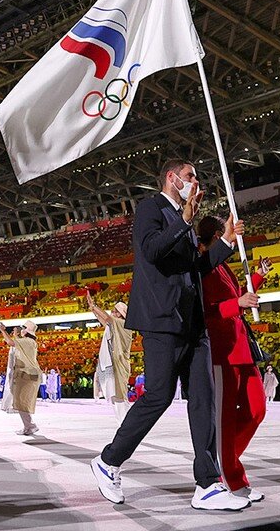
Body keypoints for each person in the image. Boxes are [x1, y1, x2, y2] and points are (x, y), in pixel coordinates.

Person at [90, 159, 249, 511]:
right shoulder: (152, 208)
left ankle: (207, 483)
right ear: (171, 177)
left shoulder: (183, 221)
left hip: (192, 322)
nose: (195, 181)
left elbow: (195, 268)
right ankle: (108, 460)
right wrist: (185, 220)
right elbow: (151, 251)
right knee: (158, 397)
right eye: (190, 176)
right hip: (161, 319)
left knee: (203, 399)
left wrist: (224, 242)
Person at [199, 215, 271, 501]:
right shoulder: (203, 266)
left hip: (241, 349)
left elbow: (239, 296)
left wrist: (258, 277)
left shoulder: (223, 266)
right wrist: (236, 304)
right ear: (217, 236)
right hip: (222, 351)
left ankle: (224, 459)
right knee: (225, 420)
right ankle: (232, 478)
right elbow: (206, 312)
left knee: (256, 410)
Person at [87, 294, 131, 424]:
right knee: (115, 395)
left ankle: (126, 423)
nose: (112, 312)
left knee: (120, 395)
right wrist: (92, 308)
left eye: (115, 311)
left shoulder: (123, 324)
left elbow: (107, 318)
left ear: (121, 314)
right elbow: (104, 320)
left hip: (120, 363)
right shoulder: (114, 325)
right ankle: (122, 423)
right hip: (114, 363)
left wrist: (95, 306)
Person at [0, 320, 41, 435]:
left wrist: (3, 331)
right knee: (20, 402)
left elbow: (10, 342)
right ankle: (29, 425)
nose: (21, 330)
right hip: (27, 374)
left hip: (27, 374)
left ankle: (30, 426)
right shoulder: (29, 342)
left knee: (21, 402)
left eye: (23, 328)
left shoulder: (28, 342)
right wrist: (15, 335)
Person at [0, 327, 19, 415]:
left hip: (19, 368)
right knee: (10, 386)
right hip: (12, 368)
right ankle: (9, 405)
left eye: (14, 331)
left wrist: (3, 331)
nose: (12, 332)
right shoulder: (15, 342)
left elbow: (9, 342)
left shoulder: (20, 342)